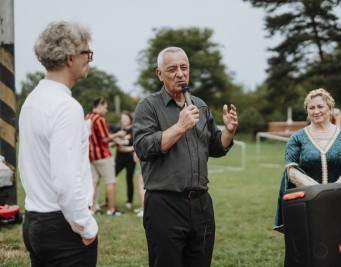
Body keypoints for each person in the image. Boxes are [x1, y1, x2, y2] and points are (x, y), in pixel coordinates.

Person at [132, 46, 238, 267]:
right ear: (159, 74)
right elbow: (143, 147)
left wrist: (227, 132)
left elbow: (215, 147)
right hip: (164, 204)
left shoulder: (199, 105)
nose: (180, 73)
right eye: (172, 69)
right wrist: (179, 127)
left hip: (200, 203)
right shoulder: (148, 106)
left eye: (184, 67)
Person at [18, 21, 98, 266]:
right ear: (70, 57)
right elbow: (65, 180)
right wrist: (86, 226)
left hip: (34, 219)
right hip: (63, 226)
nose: (90, 59)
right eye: (87, 52)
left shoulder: (32, 101)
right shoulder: (66, 107)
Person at [274, 88, 341, 233]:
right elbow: (291, 169)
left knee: (339, 243)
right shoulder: (297, 138)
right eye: (311, 107)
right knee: (310, 245)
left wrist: (334, 192)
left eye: (320, 106)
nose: (316, 111)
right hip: (307, 202)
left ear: (330, 109)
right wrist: (319, 193)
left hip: (339, 201)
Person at [86, 97, 125, 216]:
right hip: (102, 155)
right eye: (106, 107)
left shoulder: (87, 117)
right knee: (110, 182)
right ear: (100, 105)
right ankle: (111, 210)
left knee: (93, 182)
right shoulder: (100, 119)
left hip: (90, 155)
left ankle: (92, 208)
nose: (106, 110)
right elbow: (105, 138)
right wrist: (118, 134)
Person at [112, 111, 136, 209]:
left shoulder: (134, 130)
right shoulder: (118, 130)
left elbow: (137, 145)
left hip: (130, 159)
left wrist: (129, 149)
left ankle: (129, 201)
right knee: (111, 177)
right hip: (119, 158)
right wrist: (116, 139)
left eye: (125, 118)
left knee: (129, 179)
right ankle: (108, 200)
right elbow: (111, 144)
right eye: (122, 118)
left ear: (130, 119)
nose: (123, 120)